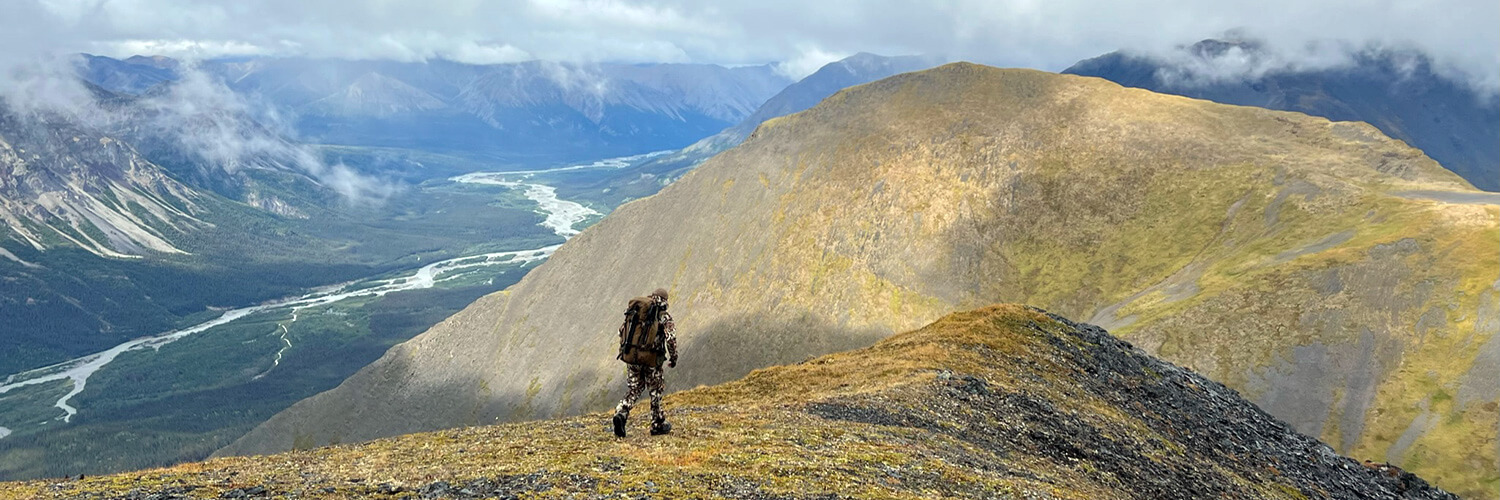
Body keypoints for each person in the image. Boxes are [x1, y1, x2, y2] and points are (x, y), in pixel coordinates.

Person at [612, 288, 678, 437]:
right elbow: (671, 339)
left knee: (634, 389)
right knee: (655, 391)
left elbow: (620, 331)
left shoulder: (636, 312)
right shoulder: (663, 316)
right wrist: (673, 358)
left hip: (633, 357)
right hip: (652, 360)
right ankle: (657, 424)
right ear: (665, 300)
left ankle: (621, 412)